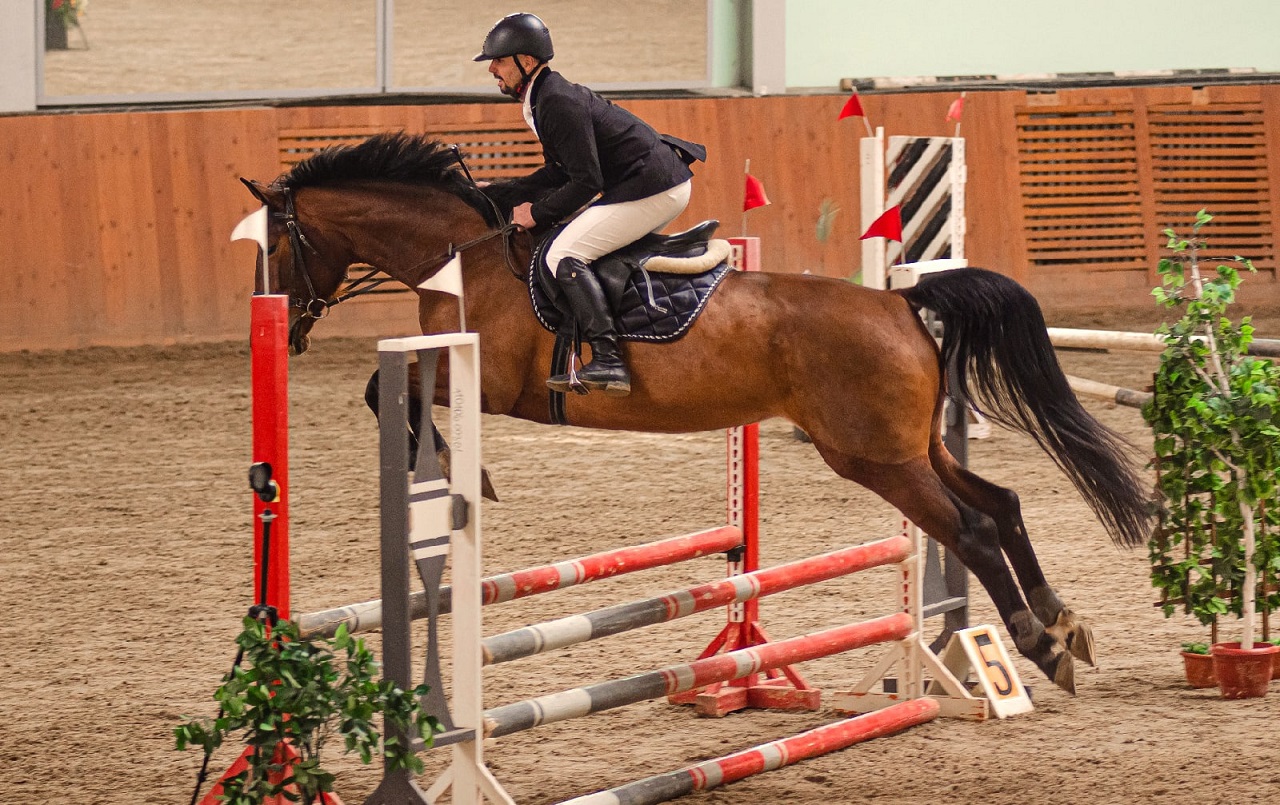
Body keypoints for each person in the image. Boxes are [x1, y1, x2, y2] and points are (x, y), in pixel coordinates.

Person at [475, 12, 704, 397]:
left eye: (498, 60)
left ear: (526, 61)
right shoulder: (543, 96)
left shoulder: (557, 101)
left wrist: (537, 213)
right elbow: (559, 171)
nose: (492, 69)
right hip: (644, 182)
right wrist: (503, 191)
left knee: (562, 254)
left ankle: (609, 359)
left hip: (655, 187)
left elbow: (586, 181)